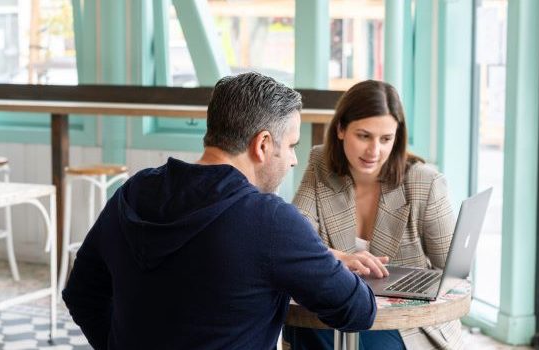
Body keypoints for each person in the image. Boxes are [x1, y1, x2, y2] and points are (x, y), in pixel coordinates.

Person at [62, 72, 377, 350]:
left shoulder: (133, 192)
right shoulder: (272, 222)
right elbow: (358, 310)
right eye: (291, 145)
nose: (294, 160)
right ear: (263, 144)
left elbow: (81, 293)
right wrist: (319, 258)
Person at [286, 80, 463, 349]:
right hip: (338, 311)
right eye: (364, 136)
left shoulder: (425, 183)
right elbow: (294, 242)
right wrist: (341, 258)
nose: (374, 151)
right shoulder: (321, 164)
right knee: (303, 329)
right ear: (341, 129)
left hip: (405, 325)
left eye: (386, 139)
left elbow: (453, 276)